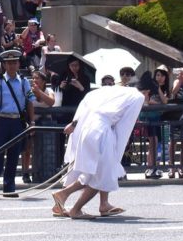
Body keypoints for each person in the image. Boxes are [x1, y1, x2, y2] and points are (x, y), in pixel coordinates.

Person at [51, 80, 147, 220]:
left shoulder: (107, 91)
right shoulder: (137, 97)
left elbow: (86, 104)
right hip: (102, 132)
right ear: (146, 92)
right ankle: (74, 207)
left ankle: (102, 203)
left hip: (86, 127)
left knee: (93, 172)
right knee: (102, 176)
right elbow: (125, 126)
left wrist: (74, 124)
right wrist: (118, 151)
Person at [0, 49, 35, 196]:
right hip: (1, 121)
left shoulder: (24, 82)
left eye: (14, 63)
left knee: (13, 155)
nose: (11, 66)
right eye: (9, 63)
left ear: (18, 64)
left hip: (17, 122)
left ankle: (9, 188)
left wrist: (33, 121)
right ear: (4, 65)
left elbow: (30, 102)